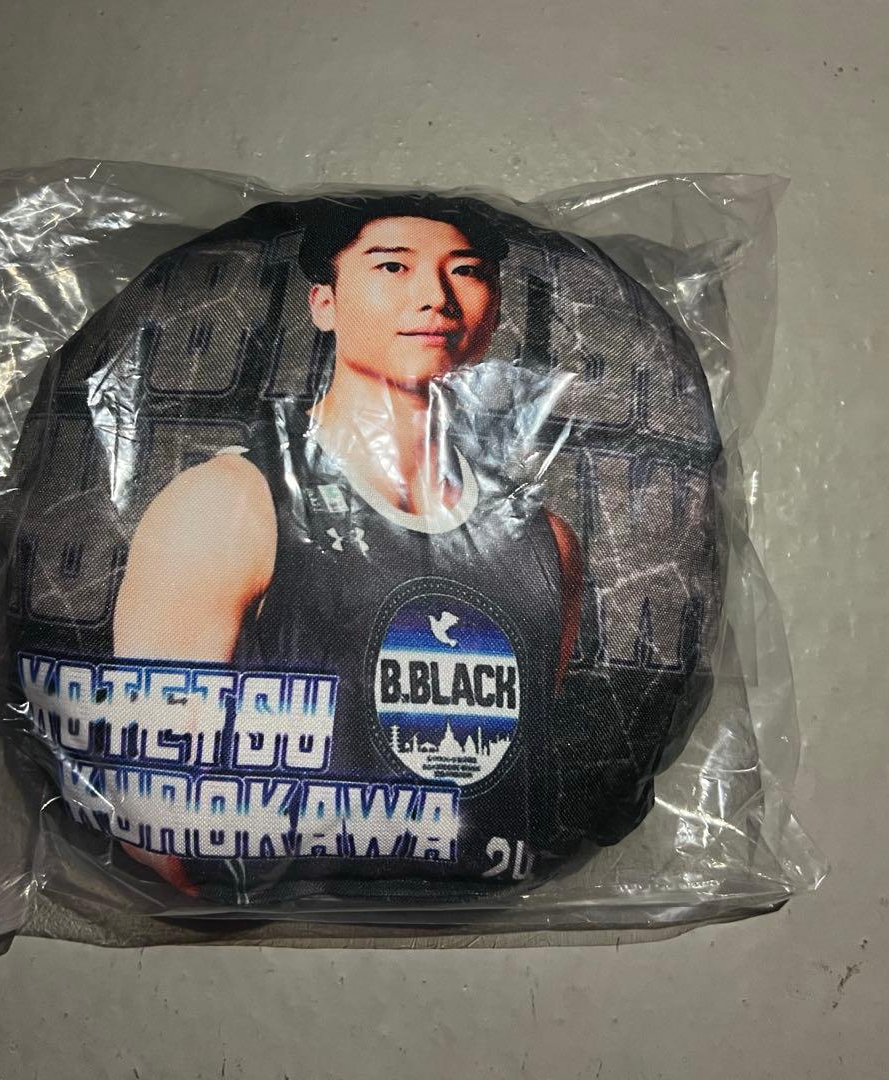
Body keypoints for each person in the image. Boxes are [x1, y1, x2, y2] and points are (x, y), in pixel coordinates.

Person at [112, 196, 583, 892]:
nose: (435, 296)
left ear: (492, 311)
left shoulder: (544, 539)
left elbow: (519, 767)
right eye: (392, 266)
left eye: (466, 271)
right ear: (324, 303)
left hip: (477, 921)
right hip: (273, 930)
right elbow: (150, 811)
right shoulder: (230, 504)